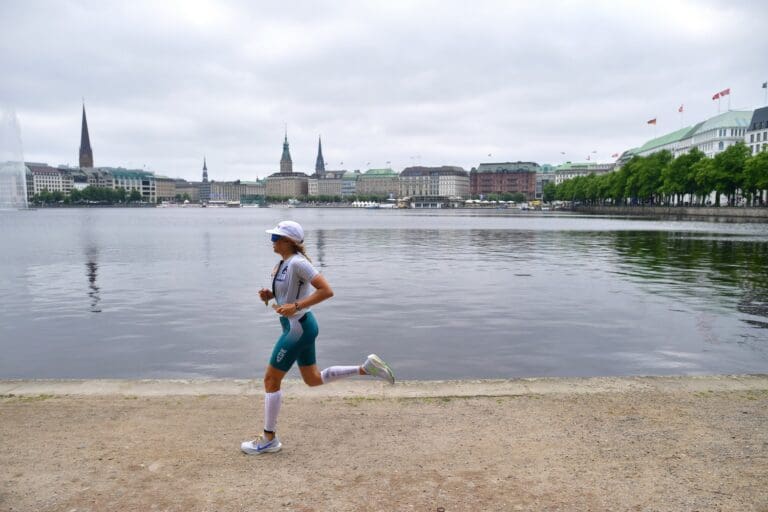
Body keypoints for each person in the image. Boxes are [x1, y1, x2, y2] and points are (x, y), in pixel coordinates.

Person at [241, 220, 395, 455]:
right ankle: (366, 368)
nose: (271, 241)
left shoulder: (299, 263)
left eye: (275, 238)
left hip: (297, 329)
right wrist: (269, 295)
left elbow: (326, 290)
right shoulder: (283, 263)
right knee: (312, 379)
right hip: (299, 326)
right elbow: (288, 292)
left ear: (288, 242)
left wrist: (295, 305)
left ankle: (268, 439)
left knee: (271, 381)